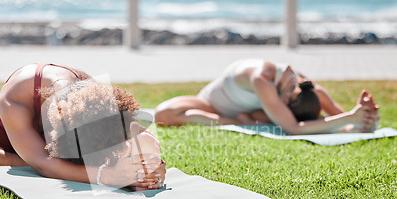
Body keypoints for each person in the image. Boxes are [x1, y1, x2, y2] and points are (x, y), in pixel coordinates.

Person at [0, 63, 166, 190]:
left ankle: (50, 161)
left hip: (76, 139)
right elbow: (46, 161)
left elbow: (138, 137)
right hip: (12, 138)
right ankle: (25, 162)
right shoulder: (18, 93)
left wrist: (149, 167)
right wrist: (106, 176)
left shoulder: (91, 95)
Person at [155, 58, 379, 135]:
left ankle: (364, 122)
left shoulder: (301, 85)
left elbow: (329, 113)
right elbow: (293, 128)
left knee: (314, 98)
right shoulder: (262, 77)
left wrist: (359, 118)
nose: (286, 100)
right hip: (210, 105)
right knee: (162, 114)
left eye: (290, 98)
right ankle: (221, 120)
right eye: (289, 94)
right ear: (288, 70)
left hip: (255, 113)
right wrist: (350, 118)